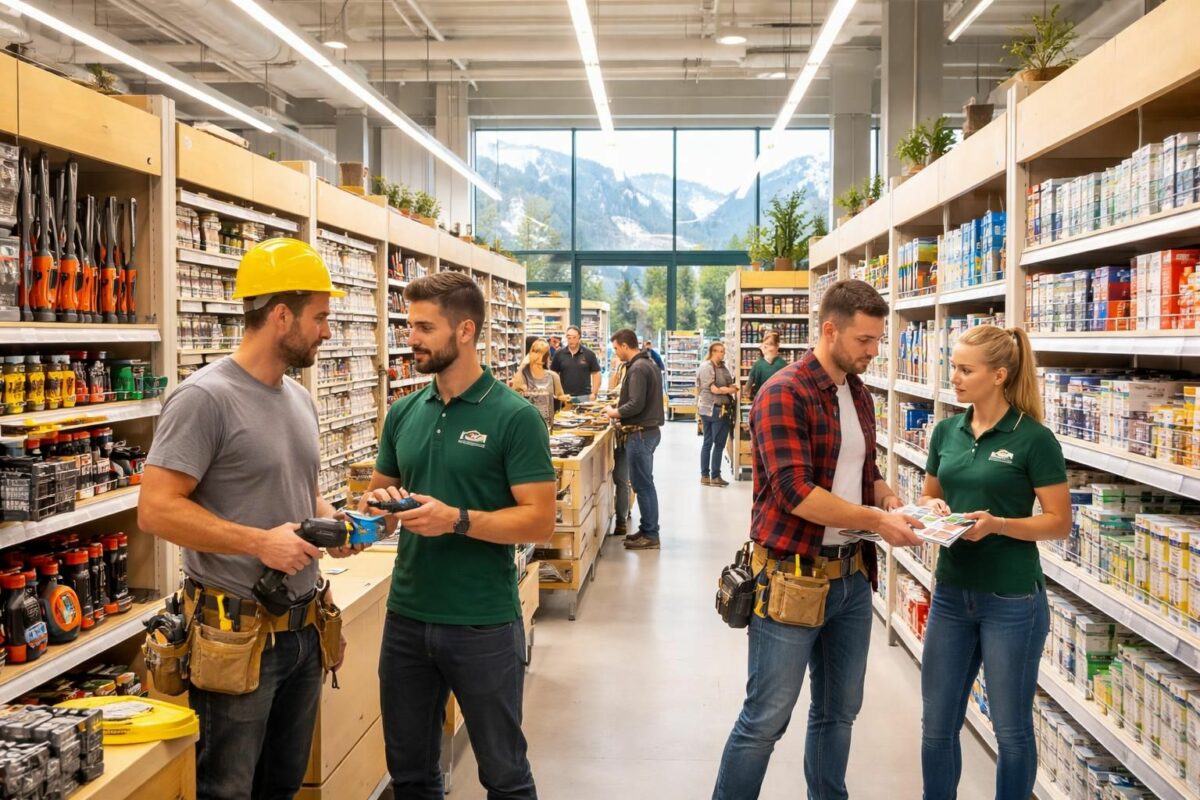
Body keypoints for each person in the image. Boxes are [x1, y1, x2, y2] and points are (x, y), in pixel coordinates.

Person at [138, 238, 354, 800]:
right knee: (227, 790)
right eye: (321, 317)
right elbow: (155, 508)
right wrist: (260, 543)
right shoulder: (204, 398)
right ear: (281, 315)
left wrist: (338, 525)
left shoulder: (299, 399)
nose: (327, 331)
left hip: (304, 631)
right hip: (235, 638)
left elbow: (300, 495)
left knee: (281, 786)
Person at [712, 279, 924, 800]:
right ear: (829, 331)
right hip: (791, 579)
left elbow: (860, 469)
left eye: (878, 341)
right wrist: (876, 521)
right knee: (765, 718)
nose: (874, 352)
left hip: (851, 579)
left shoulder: (858, 393)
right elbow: (794, 493)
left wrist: (890, 497)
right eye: (865, 341)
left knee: (839, 713)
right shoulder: (783, 391)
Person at [358, 271, 557, 799]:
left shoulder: (514, 417)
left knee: (505, 776)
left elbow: (540, 520)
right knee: (411, 776)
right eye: (409, 324)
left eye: (424, 327)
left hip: (482, 623)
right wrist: (375, 510)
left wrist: (458, 519)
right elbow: (377, 500)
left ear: (465, 330)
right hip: (406, 618)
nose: (411, 338)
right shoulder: (403, 413)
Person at [917, 325, 1070, 800]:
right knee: (936, 724)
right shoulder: (947, 431)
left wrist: (999, 524)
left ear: (999, 374)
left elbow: (1058, 522)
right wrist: (932, 512)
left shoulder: (1034, 439)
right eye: (954, 367)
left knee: (1011, 730)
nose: (955, 377)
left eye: (966, 369)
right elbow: (927, 498)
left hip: (1012, 598)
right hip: (950, 591)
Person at [604, 328, 664, 550]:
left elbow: (636, 403)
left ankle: (651, 534)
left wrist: (614, 412)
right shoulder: (648, 363)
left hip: (640, 433)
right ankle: (646, 528)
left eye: (616, 348)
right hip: (647, 431)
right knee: (642, 483)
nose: (616, 352)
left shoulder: (638, 368)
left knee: (643, 485)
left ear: (625, 346)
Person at [697, 341, 737, 487]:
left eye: (723, 351)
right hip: (716, 409)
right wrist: (731, 390)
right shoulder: (707, 367)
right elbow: (714, 389)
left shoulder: (723, 367)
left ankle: (705, 476)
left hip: (712, 408)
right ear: (712, 352)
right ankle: (715, 476)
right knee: (718, 443)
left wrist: (729, 388)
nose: (723, 353)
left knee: (708, 442)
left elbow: (728, 383)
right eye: (720, 351)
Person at [512, 338, 571, 427]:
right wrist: (522, 366)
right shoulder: (522, 375)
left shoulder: (553, 376)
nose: (539, 356)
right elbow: (514, 399)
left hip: (547, 422)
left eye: (542, 353)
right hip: (526, 423)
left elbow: (560, 396)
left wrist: (564, 398)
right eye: (535, 352)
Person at [551, 325, 601, 402]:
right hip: (564, 396)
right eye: (569, 337)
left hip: (585, 396)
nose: (571, 340)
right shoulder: (559, 354)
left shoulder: (589, 354)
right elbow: (553, 374)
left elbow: (596, 374)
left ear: (579, 337)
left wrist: (594, 393)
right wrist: (557, 393)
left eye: (574, 337)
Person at [747, 331, 789, 400]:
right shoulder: (757, 364)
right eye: (766, 344)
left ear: (777, 346)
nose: (768, 347)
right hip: (763, 400)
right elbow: (749, 385)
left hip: (776, 399)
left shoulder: (783, 365)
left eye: (771, 344)